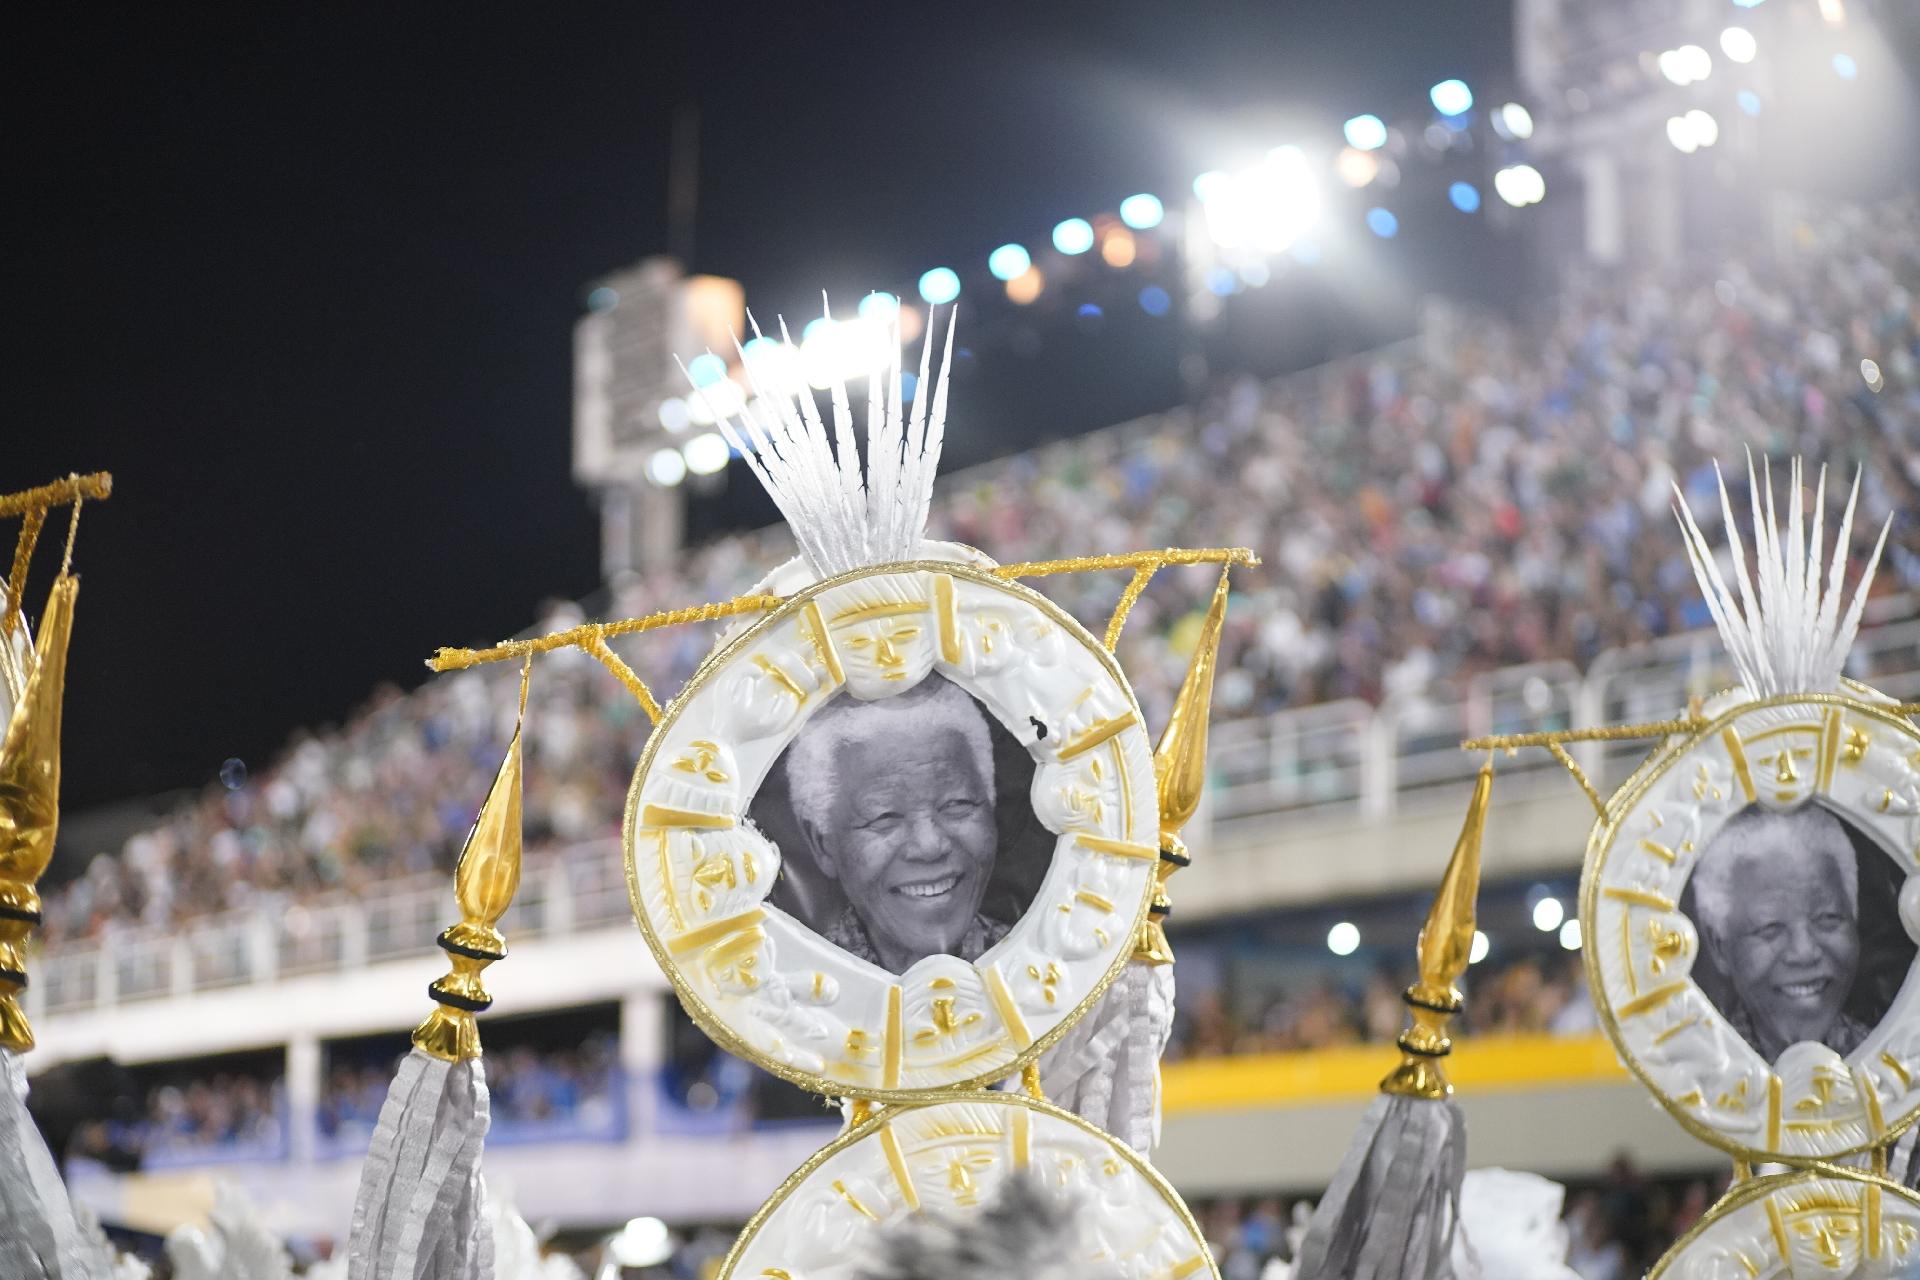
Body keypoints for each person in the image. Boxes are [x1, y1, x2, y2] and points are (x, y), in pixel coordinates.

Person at [785, 676, 1009, 972]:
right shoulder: (793, 989)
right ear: (822, 844)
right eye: (884, 817)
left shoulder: (1047, 965)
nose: (930, 846)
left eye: (957, 804)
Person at [1689, 805, 1867, 1062]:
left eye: (1828, 918)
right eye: (1770, 928)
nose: (1804, 952)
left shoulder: (1898, 1060)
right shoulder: (1693, 1071)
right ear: (1720, 947)